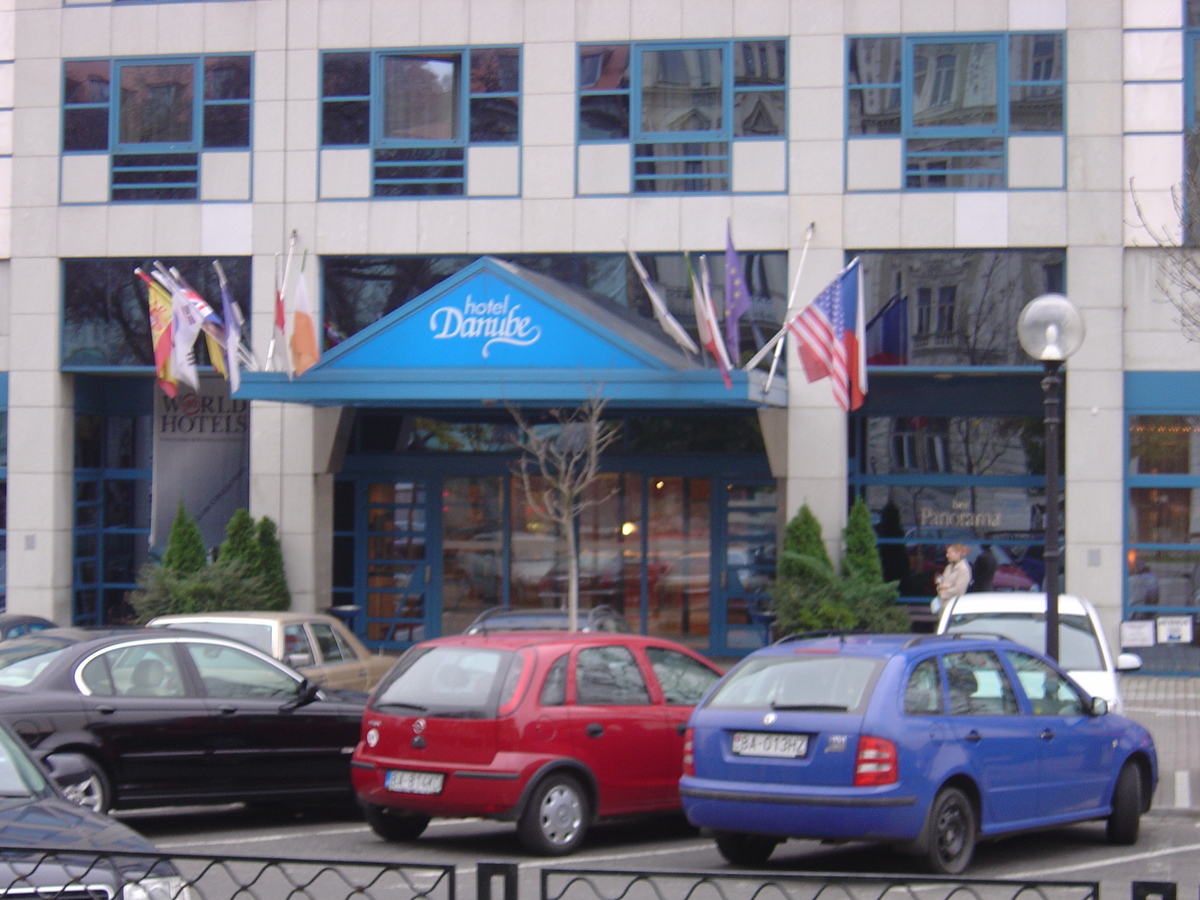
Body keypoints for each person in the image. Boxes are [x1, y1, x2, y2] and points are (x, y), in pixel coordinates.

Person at [932, 543, 972, 613]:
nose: (947, 556)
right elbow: (941, 584)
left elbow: (959, 590)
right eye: (946, 553)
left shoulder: (963, 569)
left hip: (954, 607)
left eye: (949, 553)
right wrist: (940, 585)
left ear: (958, 553)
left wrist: (943, 593)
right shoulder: (948, 567)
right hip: (943, 606)